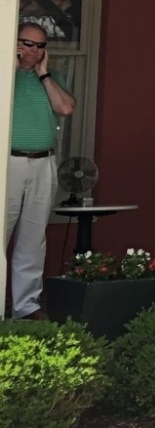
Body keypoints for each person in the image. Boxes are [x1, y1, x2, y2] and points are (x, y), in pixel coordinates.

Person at [5, 22, 74, 320]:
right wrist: (11, 62)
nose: (34, 50)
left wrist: (43, 74)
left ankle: (27, 305)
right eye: (28, 43)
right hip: (9, 161)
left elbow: (66, 108)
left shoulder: (49, 77)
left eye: (40, 45)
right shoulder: (7, 76)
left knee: (34, 236)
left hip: (43, 161)